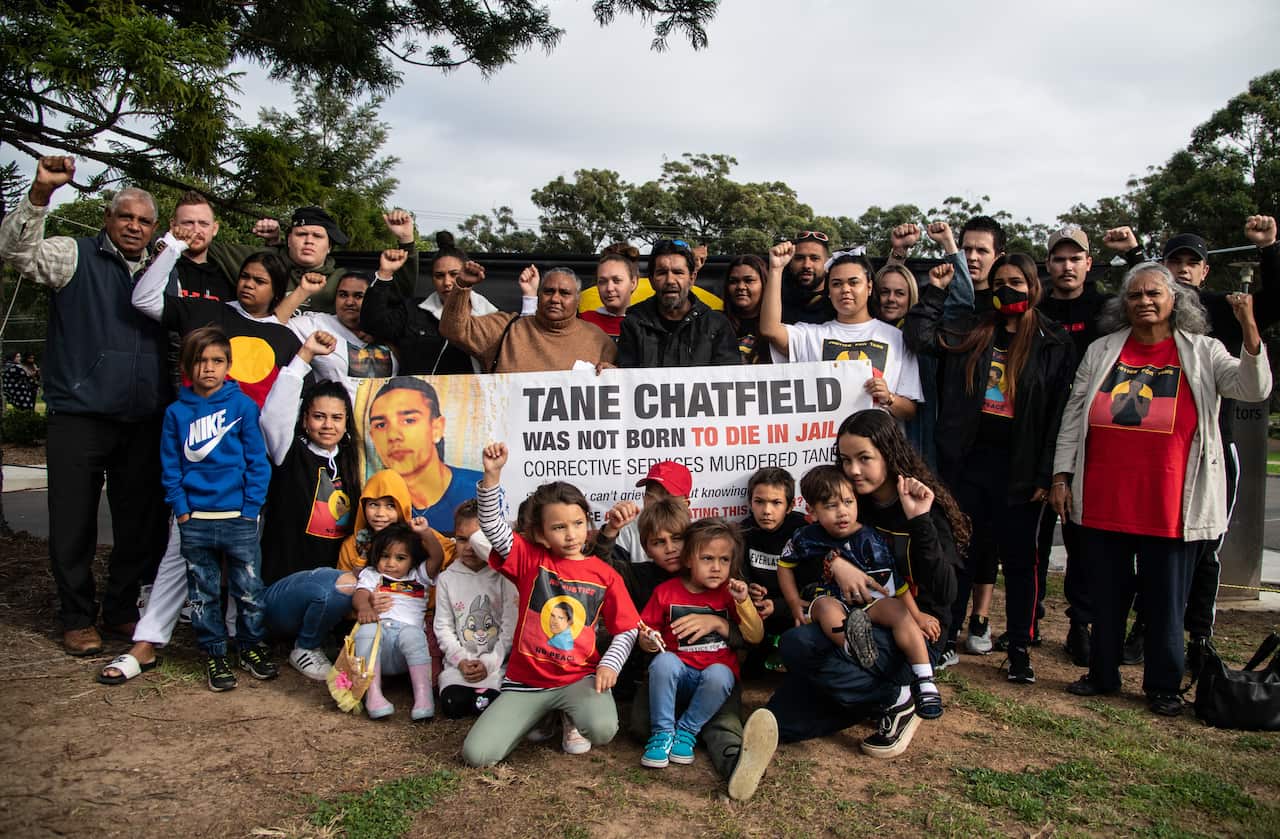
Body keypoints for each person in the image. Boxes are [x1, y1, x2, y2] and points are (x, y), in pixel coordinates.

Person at [1052, 262, 1271, 717]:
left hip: (1170, 503)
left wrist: (1250, 328)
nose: (1144, 302)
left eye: (1154, 293)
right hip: (1106, 498)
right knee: (1105, 595)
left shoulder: (1204, 351)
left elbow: (1252, 388)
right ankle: (1102, 673)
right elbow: (1074, 416)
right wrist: (1061, 476)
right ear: (1123, 304)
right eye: (1135, 295)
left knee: (1166, 602)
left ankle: (1163, 686)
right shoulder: (1102, 350)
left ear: (1176, 300)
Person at [0, 156, 170, 656]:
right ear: (108, 219)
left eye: (143, 221)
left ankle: (120, 613)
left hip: (142, 420)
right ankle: (75, 616)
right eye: (126, 217)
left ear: (153, 228)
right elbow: (16, 252)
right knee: (72, 523)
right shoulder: (73, 256)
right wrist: (39, 195)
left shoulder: (165, 271)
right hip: (79, 415)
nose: (134, 227)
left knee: (138, 526)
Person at [1111, 217, 1280, 669]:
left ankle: (1199, 638)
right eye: (1174, 262)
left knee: (1204, 550)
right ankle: (1145, 628)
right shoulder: (1142, 319)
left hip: (1208, 450)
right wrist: (1133, 257)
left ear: (1205, 272)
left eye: (1192, 263)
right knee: (1152, 553)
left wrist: (1269, 249)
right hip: (1152, 451)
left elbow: (1271, 309)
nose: (1183, 269)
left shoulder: (1220, 313)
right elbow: (1143, 287)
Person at [905, 251, 1073, 682]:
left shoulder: (1053, 342)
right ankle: (944, 640)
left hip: (1020, 468)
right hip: (966, 462)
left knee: (1020, 561)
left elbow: (1058, 414)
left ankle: (1019, 647)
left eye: (1016, 281)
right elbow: (920, 337)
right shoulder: (973, 328)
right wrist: (934, 293)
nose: (1007, 289)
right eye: (1000, 282)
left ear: (1034, 286)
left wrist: (1046, 474)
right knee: (961, 554)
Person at [766, 410, 964, 758]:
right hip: (851, 626)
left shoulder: (922, 505)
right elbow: (805, 550)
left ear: (889, 454)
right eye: (846, 460)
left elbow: (947, 594)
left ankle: (899, 697)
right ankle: (883, 696)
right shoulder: (848, 503)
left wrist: (920, 522)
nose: (854, 470)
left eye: (864, 458)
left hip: (913, 633)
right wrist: (834, 563)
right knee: (782, 721)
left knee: (801, 644)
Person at [461, 443, 640, 766]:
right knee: (478, 756)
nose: (571, 534)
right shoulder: (530, 559)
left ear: (587, 522)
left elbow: (626, 629)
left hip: (578, 679)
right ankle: (538, 716)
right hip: (527, 683)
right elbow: (491, 527)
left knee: (602, 730)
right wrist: (492, 477)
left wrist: (609, 665)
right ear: (542, 535)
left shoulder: (604, 574)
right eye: (559, 527)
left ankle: (570, 714)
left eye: (577, 523)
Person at [160, 327, 275, 691]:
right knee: (203, 593)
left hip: (239, 519)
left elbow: (258, 461)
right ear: (186, 367)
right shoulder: (176, 413)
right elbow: (171, 466)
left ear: (228, 365)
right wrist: (181, 510)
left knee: (249, 591)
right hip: (195, 520)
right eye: (200, 361)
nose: (208, 368)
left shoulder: (242, 406)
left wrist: (250, 508)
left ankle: (250, 647)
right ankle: (214, 653)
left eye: (217, 361)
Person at [778, 465, 942, 718]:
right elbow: (785, 565)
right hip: (832, 600)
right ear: (811, 511)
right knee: (824, 607)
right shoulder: (805, 537)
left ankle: (924, 679)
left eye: (848, 502)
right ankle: (853, 647)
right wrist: (792, 600)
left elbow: (896, 584)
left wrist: (917, 616)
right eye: (831, 506)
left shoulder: (870, 540)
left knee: (898, 611)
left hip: (870, 601)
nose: (842, 512)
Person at [1032, 225, 1117, 663]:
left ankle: (1080, 622)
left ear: (1088, 262)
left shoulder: (1106, 308)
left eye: (1075, 258)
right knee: (1035, 533)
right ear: (1048, 264)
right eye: (1058, 259)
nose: (1066, 266)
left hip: (1089, 432)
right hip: (1036, 430)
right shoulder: (1036, 306)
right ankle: (1031, 614)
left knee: (1082, 534)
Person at [257, 333, 365, 678]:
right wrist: (305, 355)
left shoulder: (351, 464)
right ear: (305, 420)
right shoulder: (289, 453)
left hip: (334, 592)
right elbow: (275, 412)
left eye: (336, 418)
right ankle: (305, 647)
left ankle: (323, 635)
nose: (327, 425)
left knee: (348, 583)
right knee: (338, 584)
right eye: (319, 417)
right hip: (281, 594)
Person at [637, 518, 763, 768]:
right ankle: (663, 734)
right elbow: (645, 631)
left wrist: (743, 602)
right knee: (663, 664)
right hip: (677, 678)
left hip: (714, 685)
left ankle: (688, 733)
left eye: (724, 560)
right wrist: (647, 641)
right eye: (707, 559)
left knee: (719, 676)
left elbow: (755, 636)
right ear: (687, 560)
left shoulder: (730, 593)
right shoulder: (666, 591)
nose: (716, 567)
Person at [133, 231, 302, 405]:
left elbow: (295, 400)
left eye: (259, 281)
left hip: (252, 431)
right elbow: (144, 300)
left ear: (277, 291)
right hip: (193, 426)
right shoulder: (205, 311)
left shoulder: (286, 339)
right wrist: (173, 249)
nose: (249, 284)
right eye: (245, 276)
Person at [762, 241, 921, 422]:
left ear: (869, 287)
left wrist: (889, 398)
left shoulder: (897, 337)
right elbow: (770, 329)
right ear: (829, 291)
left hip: (878, 446)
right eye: (837, 284)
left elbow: (910, 411)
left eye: (854, 282)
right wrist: (775, 269)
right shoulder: (811, 335)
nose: (845, 290)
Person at [209, 207, 417, 312]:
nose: (309, 241)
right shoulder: (262, 264)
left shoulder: (343, 280)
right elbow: (204, 245)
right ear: (288, 239)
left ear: (329, 247)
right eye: (301, 235)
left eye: (317, 236)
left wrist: (406, 240)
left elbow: (400, 293)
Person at [360, 231, 502, 375]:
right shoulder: (412, 311)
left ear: (469, 276)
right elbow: (372, 324)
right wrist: (384, 273)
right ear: (432, 279)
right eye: (439, 276)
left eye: (454, 274)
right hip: (416, 395)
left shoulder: (491, 318)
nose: (447, 283)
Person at [440, 262, 616, 373]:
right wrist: (462, 286)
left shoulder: (599, 340)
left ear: (577, 299)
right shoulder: (505, 328)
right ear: (538, 294)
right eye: (548, 291)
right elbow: (453, 329)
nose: (555, 299)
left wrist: (617, 376)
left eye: (564, 293)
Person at [364, 376, 482, 534]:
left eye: (408, 420)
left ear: (437, 428)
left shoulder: (480, 488)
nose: (392, 435)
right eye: (381, 425)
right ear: (372, 438)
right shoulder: (378, 507)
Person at [434, 500, 518, 719]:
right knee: (453, 705)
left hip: (497, 664)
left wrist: (490, 662)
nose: (469, 548)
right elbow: (443, 627)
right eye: (462, 539)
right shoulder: (446, 579)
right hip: (458, 665)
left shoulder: (504, 576)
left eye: (477, 540)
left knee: (486, 704)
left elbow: (510, 626)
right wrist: (460, 660)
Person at [274, 251, 403, 382]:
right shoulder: (317, 324)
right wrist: (303, 290)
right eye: (343, 295)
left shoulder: (389, 331)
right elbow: (272, 326)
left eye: (358, 296)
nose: (349, 302)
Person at [352, 523, 437, 720]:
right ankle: (373, 694)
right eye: (385, 556)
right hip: (376, 647)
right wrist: (365, 607)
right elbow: (360, 594)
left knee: (414, 635)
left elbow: (437, 557)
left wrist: (425, 533)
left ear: (413, 559)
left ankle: (424, 697)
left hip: (405, 650)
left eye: (400, 558)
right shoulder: (373, 574)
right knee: (366, 630)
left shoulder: (419, 576)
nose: (391, 563)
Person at [616, 240, 740, 368]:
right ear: (651, 280)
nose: (670, 280)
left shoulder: (717, 325)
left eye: (678, 272)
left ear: (692, 278)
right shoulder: (633, 324)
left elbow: (728, 380)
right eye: (662, 273)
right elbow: (626, 379)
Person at [740, 467, 807, 668]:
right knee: (750, 669)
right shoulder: (745, 532)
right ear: (750, 503)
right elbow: (740, 573)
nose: (766, 511)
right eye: (759, 502)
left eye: (776, 503)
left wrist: (778, 606)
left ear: (789, 506)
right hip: (758, 614)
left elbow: (810, 585)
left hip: (793, 610)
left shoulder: (802, 532)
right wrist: (750, 589)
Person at [580, 246, 640, 341]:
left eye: (616, 280)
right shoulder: (582, 322)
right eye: (602, 281)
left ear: (633, 283)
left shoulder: (645, 325)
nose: (609, 288)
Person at [778, 231, 836, 324]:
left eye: (814, 258)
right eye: (799, 258)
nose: (806, 265)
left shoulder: (838, 300)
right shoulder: (776, 293)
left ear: (828, 263)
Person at [723, 254, 770, 364]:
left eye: (749, 280)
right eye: (734, 281)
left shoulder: (778, 326)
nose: (740, 287)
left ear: (764, 284)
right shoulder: (715, 324)